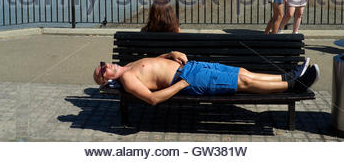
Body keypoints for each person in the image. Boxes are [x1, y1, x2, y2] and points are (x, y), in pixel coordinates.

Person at [93, 52, 319, 106]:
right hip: (187, 78)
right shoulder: (128, 79)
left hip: (192, 67)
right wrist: (181, 85)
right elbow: (152, 99)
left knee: (242, 73)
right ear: (106, 81)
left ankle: (287, 76)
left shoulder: (128, 66)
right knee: (243, 84)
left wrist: (170, 54)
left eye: (103, 64)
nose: (106, 66)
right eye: (103, 72)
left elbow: (153, 62)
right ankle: (294, 85)